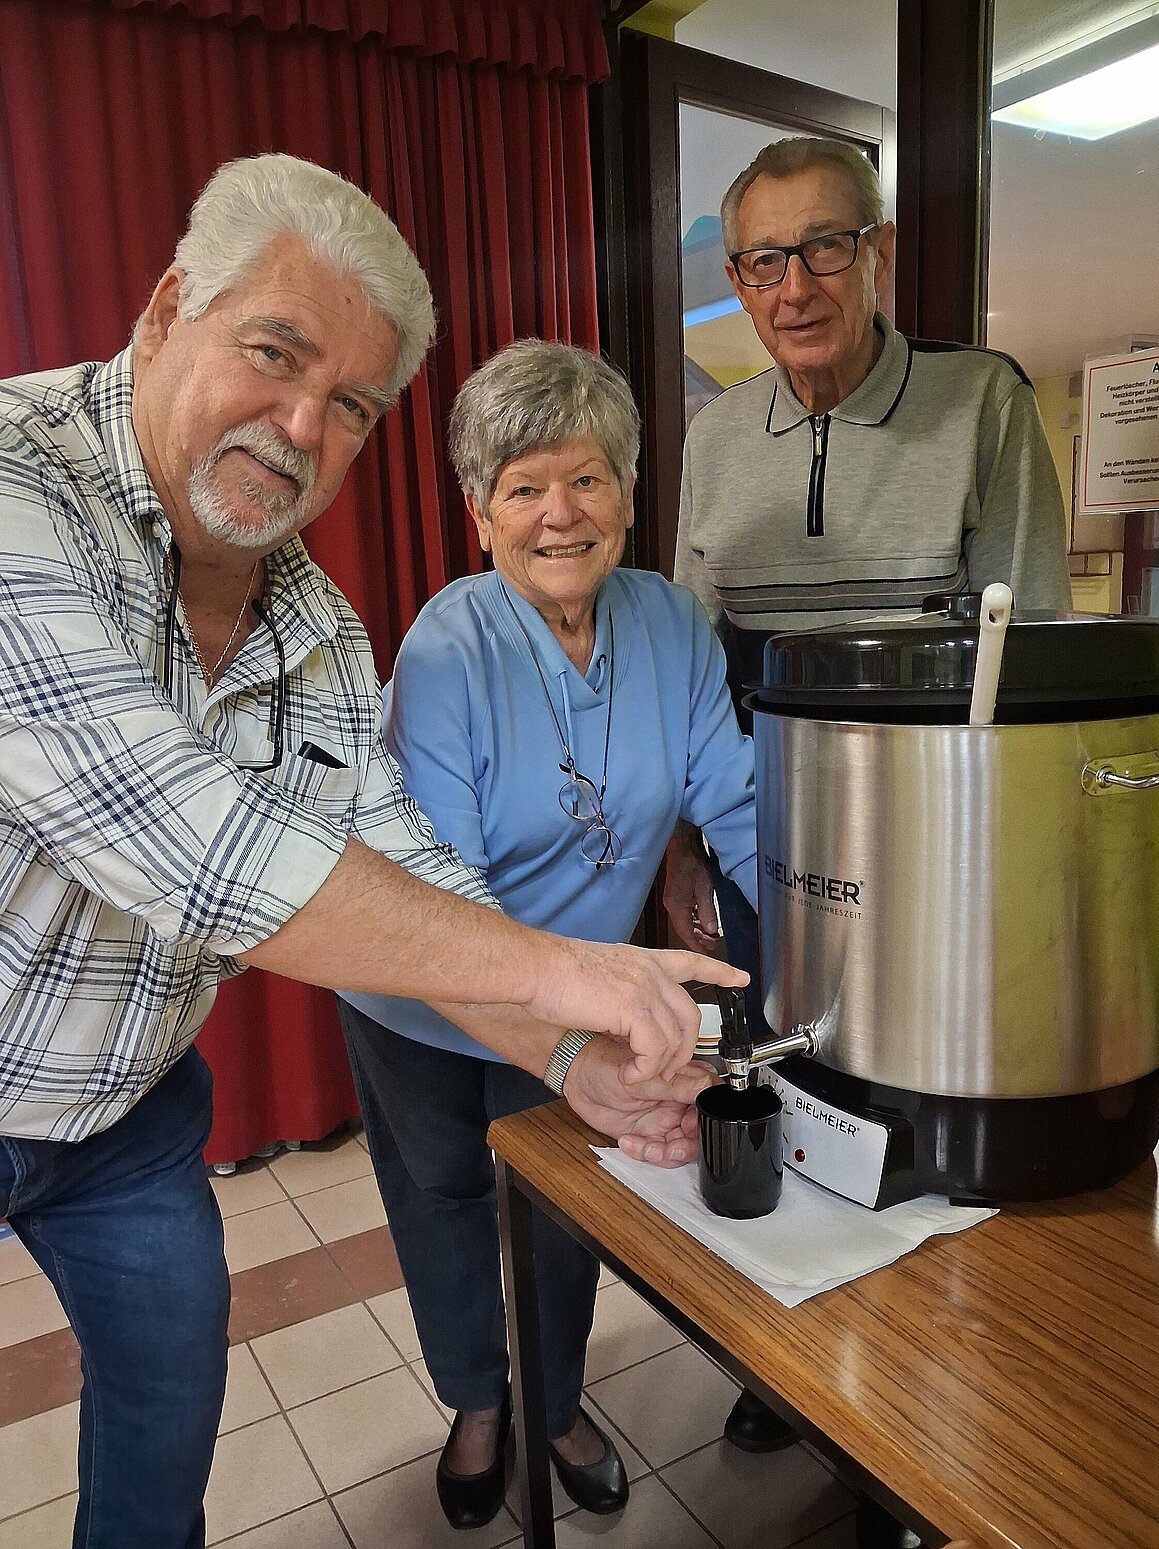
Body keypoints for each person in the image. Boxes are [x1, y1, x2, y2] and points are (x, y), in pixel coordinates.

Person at [0, 155, 745, 1549]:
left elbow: (403, 860)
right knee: (438, 1202)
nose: (301, 425)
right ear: (166, 312)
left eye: (350, 403)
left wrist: (570, 1058)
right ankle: (484, 1404)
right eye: (275, 353)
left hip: (124, 1115)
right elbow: (188, 841)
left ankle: (535, 1404)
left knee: (160, 1439)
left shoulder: (315, 624)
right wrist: (572, 974)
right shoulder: (15, 479)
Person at [665, 135, 1072, 1545]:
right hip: (755, 841)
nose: (795, 287)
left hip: (929, 844)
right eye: (763, 261)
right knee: (781, 1088)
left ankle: (917, 1408)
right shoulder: (715, 438)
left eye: (825, 247)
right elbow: (685, 668)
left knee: (918, 1124)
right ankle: (791, 1365)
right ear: (735, 280)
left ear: (877, 251)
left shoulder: (978, 403)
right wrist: (682, 855)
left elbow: (1026, 654)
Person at [337, 338, 758, 1529]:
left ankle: (559, 1402)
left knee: (568, 1200)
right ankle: (479, 1404)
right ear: (481, 515)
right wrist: (562, 1035)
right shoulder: (449, 646)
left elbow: (735, 802)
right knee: (443, 1195)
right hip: (419, 993)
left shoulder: (669, 621)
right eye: (523, 487)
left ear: (627, 493)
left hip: (574, 990)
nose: (559, 514)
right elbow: (444, 893)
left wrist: (834, 913)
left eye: (586, 479)